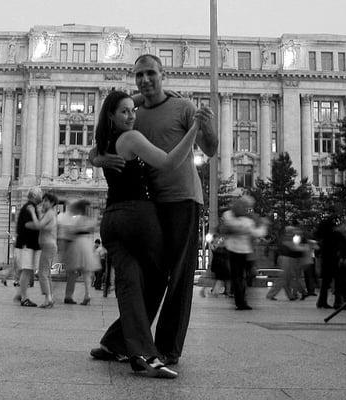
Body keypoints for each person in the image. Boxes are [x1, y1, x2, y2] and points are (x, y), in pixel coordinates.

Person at [90, 54, 218, 368]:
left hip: (183, 198)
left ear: (163, 75)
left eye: (151, 74)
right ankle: (124, 342)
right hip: (149, 205)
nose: (145, 80)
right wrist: (101, 160)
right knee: (151, 276)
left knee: (178, 276)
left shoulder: (183, 107)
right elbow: (99, 143)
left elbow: (211, 149)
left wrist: (208, 126)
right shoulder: (133, 111)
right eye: (139, 75)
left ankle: (167, 348)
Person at [222, 195, 268, 310]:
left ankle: (240, 300)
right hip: (241, 251)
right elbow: (257, 233)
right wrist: (263, 224)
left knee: (238, 276)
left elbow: (229, 225)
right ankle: (241, 300)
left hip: (237, 250)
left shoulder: (230, 216)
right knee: (240, 277)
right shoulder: (246, 221)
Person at [64, 199, 100, 305]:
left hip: (77, 244)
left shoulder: (77, 219)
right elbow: (95, 227)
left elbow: (70, 231)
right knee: (87, 272)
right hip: (87, 244)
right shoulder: (90, 220)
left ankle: (69, 295)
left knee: (73, 270)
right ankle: (87, 294)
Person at [26, 192, 58, 309]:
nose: (43, 203)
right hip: (49, 245)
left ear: (52, 203)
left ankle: (48, 298)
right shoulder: (50, 214)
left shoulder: (50, 213)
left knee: (42, 273)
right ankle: (50, 297)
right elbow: (42, 225)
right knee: (47, 274)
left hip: (48, 245)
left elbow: (39, 225)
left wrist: (32, 213)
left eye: (46, 201)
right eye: (43, 200)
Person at [14, 187, 43, 307]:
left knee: (27, 271)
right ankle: (24, 298)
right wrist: (38, 225)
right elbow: (28, 225)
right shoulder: (29, 208)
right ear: (34, 196)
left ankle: (21, 294)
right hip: (27, 245)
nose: (42, 196)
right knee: (26, 271)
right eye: (40, 194)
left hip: (27, 244)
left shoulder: (30, 207)